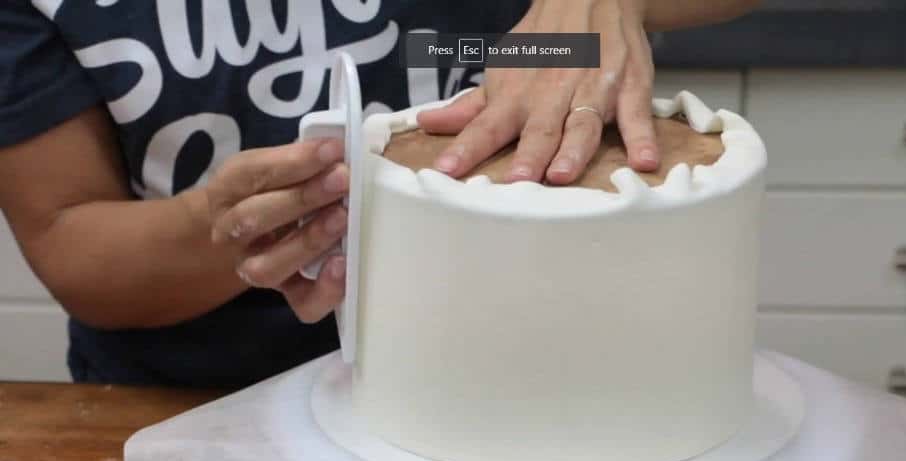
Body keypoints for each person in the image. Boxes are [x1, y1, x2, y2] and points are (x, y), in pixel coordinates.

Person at [0, 0, 758, 387]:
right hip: (195, 403)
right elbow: (70, 240)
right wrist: (221, 226)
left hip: (534, 373)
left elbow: (511, 44)